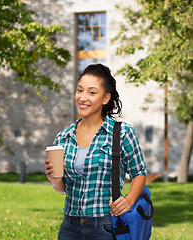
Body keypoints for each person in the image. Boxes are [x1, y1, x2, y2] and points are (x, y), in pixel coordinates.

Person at [45, 63, 147, 240]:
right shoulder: (63, 137)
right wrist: (55, 180)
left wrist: (129, 200)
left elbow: (139, 173)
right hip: (69, 226)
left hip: (105, 226)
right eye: (79, 90)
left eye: (91, 92)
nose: (83, 97)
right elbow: (62, 189)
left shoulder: (121, 133)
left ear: (105, 98)